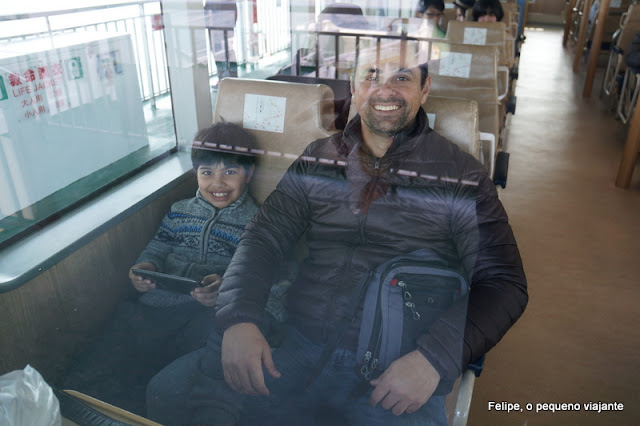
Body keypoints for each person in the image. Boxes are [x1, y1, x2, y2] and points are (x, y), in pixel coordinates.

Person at [147, 41, 528, 426]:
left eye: (402, 77)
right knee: (169, 392)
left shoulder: (458, 175)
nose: (385, 89)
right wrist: (240, 317)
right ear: (354, 85)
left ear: (424, 89)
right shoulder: (320, 159)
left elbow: (502, 282)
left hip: (395, 364)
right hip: (297, 342)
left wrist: (434, 358)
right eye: (371, 75)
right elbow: (265, 237)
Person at [60, 122, 260, 416]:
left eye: (229, 172)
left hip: (202, 312)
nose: (217, 183)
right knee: (118, 333)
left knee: (196, 346)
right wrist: (145, 267)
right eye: (207, 173)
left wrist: (223, 287)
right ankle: (90, 405)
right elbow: (158, 247)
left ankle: (145, 402)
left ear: (250, 173)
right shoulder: (180, 210)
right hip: (156, 304)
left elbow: (252, 270)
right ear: (196, 173)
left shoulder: (254, 222)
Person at [204, 0, 239, 83]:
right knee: (228, 51)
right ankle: (232, 78)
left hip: (218, 23)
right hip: (226, 21)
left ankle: (224, 80)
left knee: (220, 52)